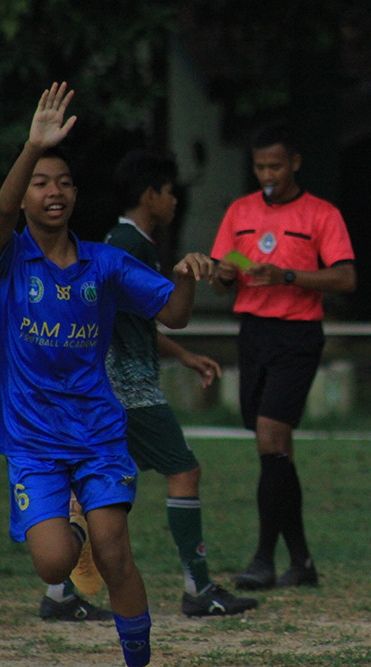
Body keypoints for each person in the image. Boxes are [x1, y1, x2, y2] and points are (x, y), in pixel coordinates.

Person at [0, 82, 213, 666]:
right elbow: (1, 214)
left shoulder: (106, 263)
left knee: (116, 556)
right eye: (41, 183)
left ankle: (138, 658)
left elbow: (175, 315)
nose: (53, 192)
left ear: (76, 196)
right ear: (25, 196)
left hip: (98, 432)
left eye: (63, 182)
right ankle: (75, 526)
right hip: (33, 438)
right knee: (54, 564)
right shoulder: (9, 260)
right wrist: (33, 146)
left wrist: (185, 276)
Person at [100, 149, 257, 616]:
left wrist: (183, 356)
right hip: (131, 390)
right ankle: (198, 588)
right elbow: (174, 315)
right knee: (184, 471)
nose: (174, 202)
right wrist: (184, 278)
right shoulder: (133, 246)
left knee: (94, 482)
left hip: (108, 388)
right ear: (150, 195)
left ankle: (60, 592)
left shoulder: (118, 242)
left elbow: (131, 321)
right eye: (170, 193)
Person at [210, 121, 357, 590]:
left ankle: (262, 559)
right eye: (260, 167)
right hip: (252, 333)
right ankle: (301, 562)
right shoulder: (240, 211)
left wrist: (289, 276)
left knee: (270, 438)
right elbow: (222, 275)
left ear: (294, 162)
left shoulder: (321, 214)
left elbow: (345, 278)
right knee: (276, 450)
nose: (267, 175)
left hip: (297, 334)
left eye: (275, 165)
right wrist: (224, 275)